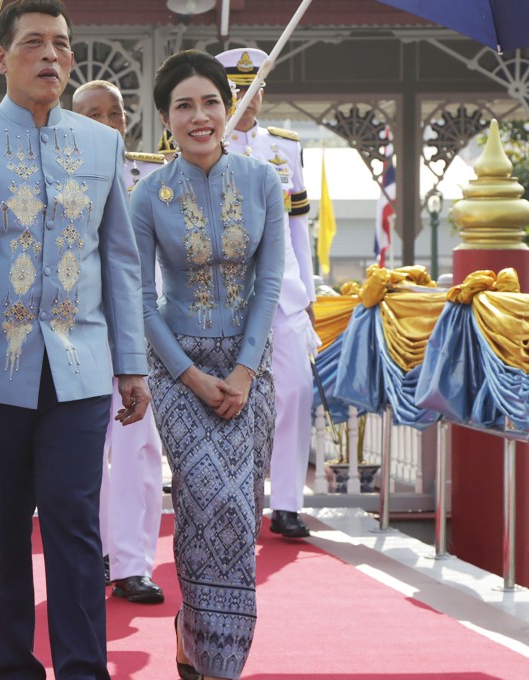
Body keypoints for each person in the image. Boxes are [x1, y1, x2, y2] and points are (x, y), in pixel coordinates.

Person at [0, 1, 151, 677]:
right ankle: (13, 666)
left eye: (62, 45)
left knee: (74, 520)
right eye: (35, 43)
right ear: (1, 57)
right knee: (2, 526)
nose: (52, 56)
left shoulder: (101, 145)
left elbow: (122, 261)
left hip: (81, 367)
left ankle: (83, 669)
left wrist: (131, 362)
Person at [131, 50, 284, 680]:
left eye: (212, 103)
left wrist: (245, 373)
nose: (201, 117)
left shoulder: (262, 180)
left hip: (250, 370)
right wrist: (192, 377)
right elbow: (139, 300)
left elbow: (270, 283)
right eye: (185, 106)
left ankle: (194, 634)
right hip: (180, 368)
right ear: (165, 119)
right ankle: (217, 661)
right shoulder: (146, 194)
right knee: (208, 503)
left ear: (230, 108)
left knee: (239, 513)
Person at [217, 47, 317, 539]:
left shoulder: (285, 148)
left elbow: (301, 230)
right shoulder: (199, 144)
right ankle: (236, 495)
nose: (246, 99)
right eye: (236, 90)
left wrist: (310, 295)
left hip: (284, 292)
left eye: (253, 88)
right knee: (230, 397)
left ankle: (288, 503)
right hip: (228, 294)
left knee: (296, 390)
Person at [72, 79, 165, 605]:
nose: (108, 123)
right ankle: (97, 550)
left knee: (138, 448)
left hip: (137, 332)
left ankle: (132, 562)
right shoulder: (57, 173)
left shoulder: (152, 179)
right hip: (77, 329)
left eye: (116, 114)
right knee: (86, 451)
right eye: (94, 114)